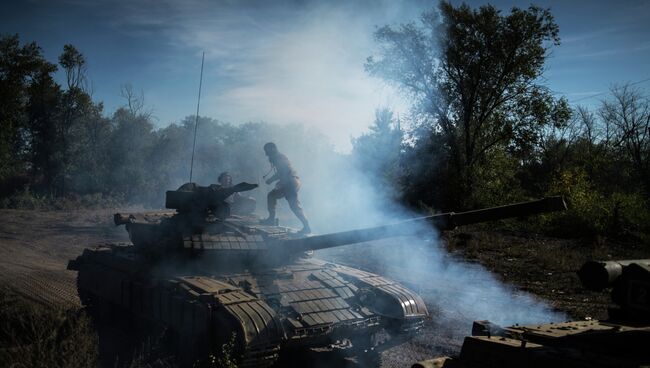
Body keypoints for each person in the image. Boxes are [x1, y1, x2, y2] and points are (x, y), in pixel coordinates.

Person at [260, 142, 311, 234]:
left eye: (266, 151)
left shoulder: (279, 158)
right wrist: (275, 180)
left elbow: (284, 172)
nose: (266, 153)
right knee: (273, 196)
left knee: (293, 205)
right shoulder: (278, 158)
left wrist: (273, 180)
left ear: (272, 149)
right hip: (291, 182)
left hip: (290, 182)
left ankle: (306, 226)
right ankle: (306, 226)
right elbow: (282, 172)